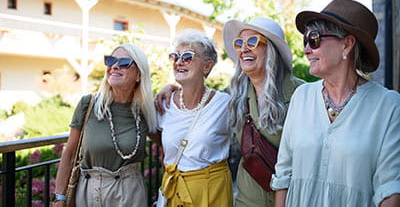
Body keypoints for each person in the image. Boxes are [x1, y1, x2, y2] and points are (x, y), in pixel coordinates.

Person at [155, 17, 304, 207]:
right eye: (239, 43)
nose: (244, 49)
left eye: (252, 42)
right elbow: (200, 97)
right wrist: (172, 88)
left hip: (292, 199)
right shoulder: (232, 96)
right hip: (248, 200)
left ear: (271, 49)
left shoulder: (302, 95)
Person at [271, 0, 400, 207]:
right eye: (305, 40)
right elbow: (284, 174)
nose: (306, 49)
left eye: (314, 39)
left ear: (347, 44)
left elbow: (390, 188)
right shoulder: (301, 96)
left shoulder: (388, 106)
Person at [54, 44, 156, 206]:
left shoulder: (146, 110)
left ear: (139, 75)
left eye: (124, 62)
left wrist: (171, 90)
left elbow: (167, 142)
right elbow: (69, 154)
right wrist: (60, 197)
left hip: (130, 193)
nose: (114, 66)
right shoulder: (88, 104)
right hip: (87, 193)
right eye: (110, 61)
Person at [154, 29, 233, 207]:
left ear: (207, 66)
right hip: (174, 193)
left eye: (188, 56)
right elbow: (161, 145)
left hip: (212, 193)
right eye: (176, 56)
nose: (179, 62)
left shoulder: (224, 104)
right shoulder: (164, 104)